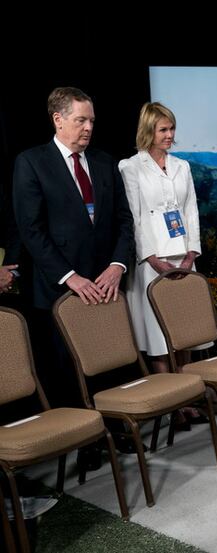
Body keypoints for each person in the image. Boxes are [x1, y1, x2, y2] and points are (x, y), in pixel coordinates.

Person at [12, 87, 134, 409]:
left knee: (109, 362)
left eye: (92, 121)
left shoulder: (105, 162)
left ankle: (117, 426)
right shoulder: (32, 163)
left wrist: (117, 266)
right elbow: (31, 231)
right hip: (60, 288)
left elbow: (124, 221)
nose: (89, 128)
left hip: (105, 284)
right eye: (81, 120)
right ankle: (86, 443)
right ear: (58, 120)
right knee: (69, 369)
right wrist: (71, 277)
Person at [119, 102, 204, 429]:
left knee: (184, 332)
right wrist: (152, 259)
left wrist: (191, 254)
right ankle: (173, 405)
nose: (170, 135)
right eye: (163, 130)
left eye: (172, 129)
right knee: (158, 336)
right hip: (152, 262)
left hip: (183, 257)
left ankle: (189, 398)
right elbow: (135, 218)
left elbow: (191, 211)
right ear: (149, 131)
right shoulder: (131, 167)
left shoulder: (182, 166)